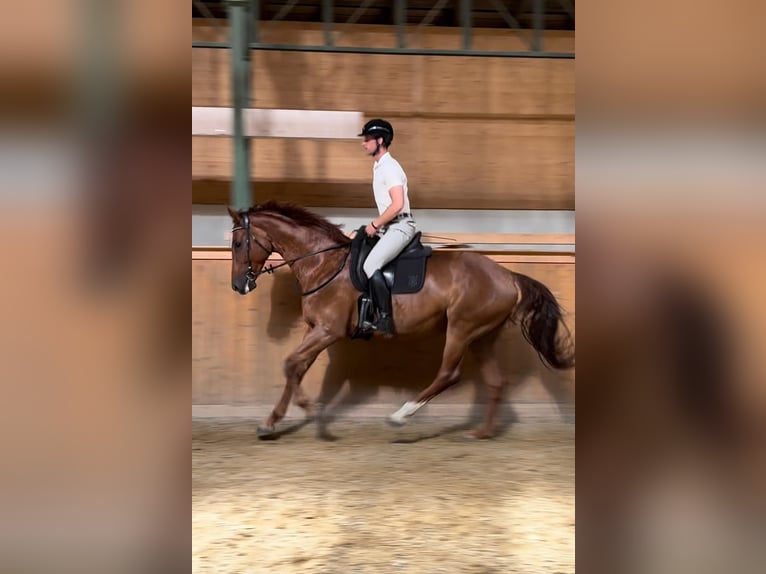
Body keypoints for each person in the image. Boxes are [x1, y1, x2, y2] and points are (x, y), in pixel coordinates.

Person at [358, 118, 417, 334]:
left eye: (367, 139)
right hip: (389, 227)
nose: (364, 143)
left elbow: (398, 204)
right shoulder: (379, 166)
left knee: (370, 265)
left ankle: (385, 319)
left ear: (380, 141)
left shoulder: (390, 167)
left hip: (400, 226)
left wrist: (375, 223)